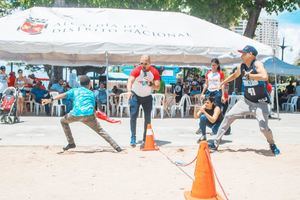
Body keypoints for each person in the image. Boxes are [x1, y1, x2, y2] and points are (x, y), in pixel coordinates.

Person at [208, 45, 280, 155]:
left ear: (250, 54)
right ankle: (215, 142)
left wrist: (250, 76)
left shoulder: (257, 64)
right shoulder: (241, 66)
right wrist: (223, 82)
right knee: (228, 116)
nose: (241, 55)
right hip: (246, 101)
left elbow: (265, 76)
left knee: (263, 128)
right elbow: (234, 75)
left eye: (243, 53)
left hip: (260, 103)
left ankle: (272, 144)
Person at [42, 75, 122, 152]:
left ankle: (71, 143)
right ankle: (117, 147)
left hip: (75, 114)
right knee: (100, 131)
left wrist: (51, 99)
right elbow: (93, 108)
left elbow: (63, 95)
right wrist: (98, 117)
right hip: (89, 115)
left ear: (80, 83)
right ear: (89, 84)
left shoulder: (75, 90)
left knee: (63, 121)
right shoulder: (91, 93)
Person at [127, 55, 160, 148]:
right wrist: (129, 91)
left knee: (147, 119)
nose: (143, 66)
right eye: (141, 63)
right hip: (135, 96)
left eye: (145, 64)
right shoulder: (137, 70)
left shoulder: (154, 72)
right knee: (133, 116)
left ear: (150, 63)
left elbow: (157, 87)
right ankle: (133, 137)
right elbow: (130, 81)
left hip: (147, 97)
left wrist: (150, 83)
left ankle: (145, 138)